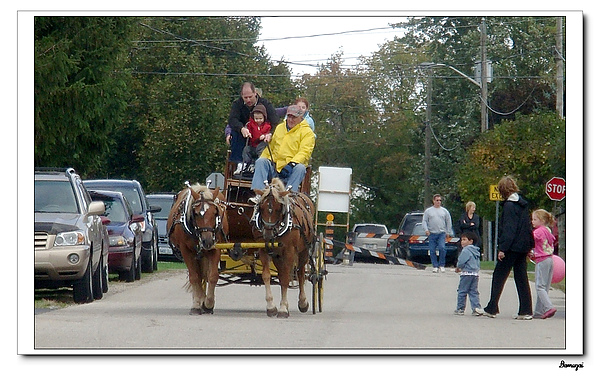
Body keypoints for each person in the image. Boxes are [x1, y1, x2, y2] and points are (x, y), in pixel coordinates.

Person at [483, 175, 534, 320]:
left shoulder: (509, 206)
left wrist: (502, 248)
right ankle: (526, 309)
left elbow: (509, 229)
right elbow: (527, 226)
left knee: (499, 275)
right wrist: (530, 245)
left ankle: (492, 307)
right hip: (523, 246)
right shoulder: (523, 204)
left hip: (511, 247)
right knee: (521, 277)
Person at [250, 105, 315, 196]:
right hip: (275, 167)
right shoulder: (280, 127)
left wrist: (292, 164)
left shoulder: (307, 133)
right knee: (261, 161)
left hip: (291, 170)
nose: (291, 120)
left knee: (300, 168)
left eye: (294, 117)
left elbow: (305, 152)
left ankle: (289, 196)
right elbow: (270, 148)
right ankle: (259, 194)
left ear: (301, 118)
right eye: (289, 116)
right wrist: (263, 159)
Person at [227, 82, 279, 165]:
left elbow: (275, 121)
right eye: (245, 97)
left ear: (255, 93)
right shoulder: (237, 104)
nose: (248, 100)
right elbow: (232, 120)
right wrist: (241, 128)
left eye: (250, 97)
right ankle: (239, 164)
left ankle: (262, 165)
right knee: (235, 133)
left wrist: (270, 134)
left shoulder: (265, 104)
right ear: (241, 96)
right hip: (246, 135)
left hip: (263, 136)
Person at [530, 209, 558, 319]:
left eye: (534, 219)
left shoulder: (538, 231)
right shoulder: (547, 230)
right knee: (545, 286)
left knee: (539, 286)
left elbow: (532, 239)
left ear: (541, 220)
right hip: (550, 259)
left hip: (541, 259)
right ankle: (539, 311)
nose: (532, 221)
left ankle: (548, 307)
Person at [454, 232, 485, 316]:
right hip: (474, 274)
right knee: (473, 292)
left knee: (462, 291)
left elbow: (461, 261)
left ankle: (460, 308)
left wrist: (458, 267)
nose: (462, 242)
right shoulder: (476, 251)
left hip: (466, 274)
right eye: (461, 240)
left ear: (471, 241)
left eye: (464, 240)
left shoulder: (466, 250)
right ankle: (476, 308)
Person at [236, 104, 272, 175]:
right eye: (256, 119)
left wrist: (264, 136)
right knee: (246, 149)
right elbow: (247, 129)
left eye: (260, 119)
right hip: (253, 145)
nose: (258, 121)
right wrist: (247, 132)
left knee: (261, 149)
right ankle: (245, 164)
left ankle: (258, 164)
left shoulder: (267, 126)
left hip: (261, 145)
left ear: (264, 118)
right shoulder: (251, 124)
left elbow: (269, 133)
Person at [422, 194, 453, 273]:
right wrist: (426, 230)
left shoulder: (444, 211)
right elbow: (424, 221)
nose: (438, 202)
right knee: (432, 250)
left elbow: (448, 221)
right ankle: (435, 266)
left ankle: (441, 265)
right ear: (433, 201)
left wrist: (448, 231)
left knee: (442, 248)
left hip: (441, 233)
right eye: (437, 200)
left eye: (440, 200)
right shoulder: (428, 211)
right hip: (432, 233)